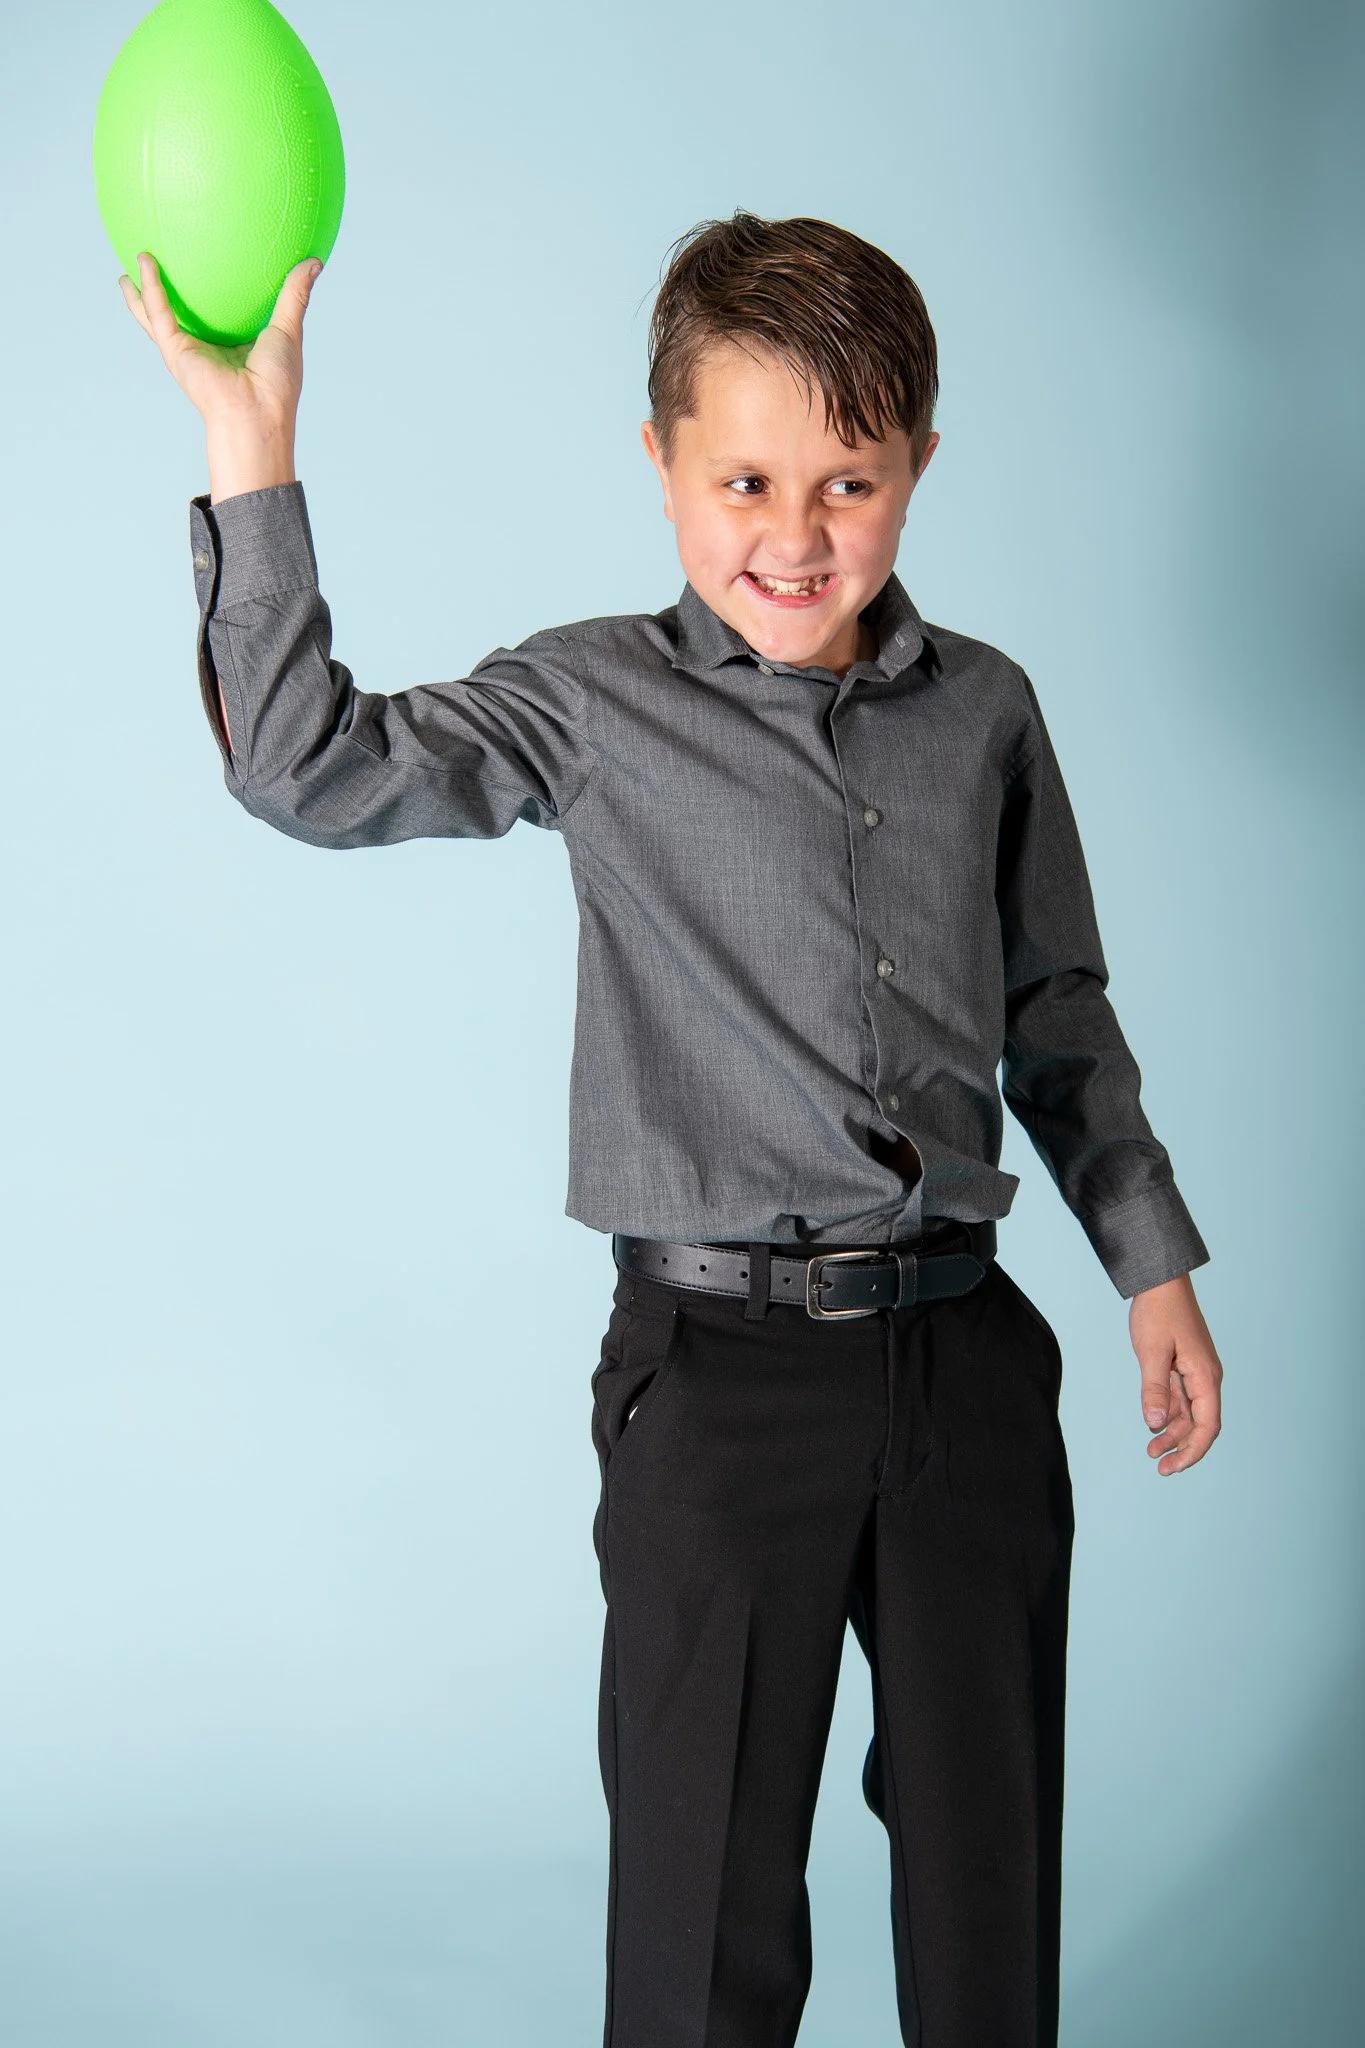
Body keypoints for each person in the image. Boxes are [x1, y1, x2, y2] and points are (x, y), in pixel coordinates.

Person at [119, 210, 1224, 2048]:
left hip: (965, 1364)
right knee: (705, 1916)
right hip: (719, 1386)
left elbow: (1057, 1012)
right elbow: (304, 761)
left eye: (850, 482)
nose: (796, 536)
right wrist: (254, 444)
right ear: (660, 463)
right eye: (745, 482)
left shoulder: (988, 713)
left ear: (919, 465)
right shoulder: (590, 703)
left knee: (988, 1892)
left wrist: (1151, 1267)